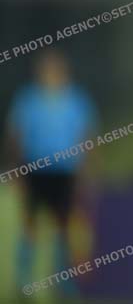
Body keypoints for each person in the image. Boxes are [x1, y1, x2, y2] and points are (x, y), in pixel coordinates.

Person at [6, 50, 97, 295]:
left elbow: (86, 137)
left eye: (56, 69)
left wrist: (86, 172)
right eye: (47, 69)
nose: (51, 73)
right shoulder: (28, 99)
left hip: (64, 172)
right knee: (29, 225)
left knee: (63, 227)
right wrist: (16, 168)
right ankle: (22, 282)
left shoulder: (77, 100)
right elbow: (16, 135)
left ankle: (63, 283)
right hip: (35, 168)